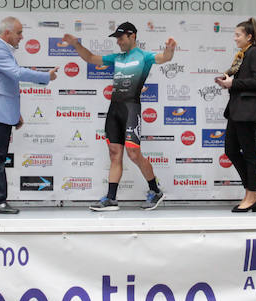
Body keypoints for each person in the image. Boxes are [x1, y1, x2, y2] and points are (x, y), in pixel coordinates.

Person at [62, 23, 176, 211]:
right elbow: (90, 58)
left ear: (132, 36)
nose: (118, 41)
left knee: (134, 154)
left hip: (131, 108)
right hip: (114, 109)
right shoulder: (117, 58)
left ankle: (155, 191)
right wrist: (76, 45)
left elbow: (164, 58)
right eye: (116, 38)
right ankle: (111, 199)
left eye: (121, 37)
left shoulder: (144, 57)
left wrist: (170, 49)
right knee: (115, 154)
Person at [0, 17, 57, 215]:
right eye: (19, 33)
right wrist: (46, 76)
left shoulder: (3, 51)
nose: (22, 37)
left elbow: (5, 85)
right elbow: (17, 73)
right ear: (7, 33)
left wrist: (15, 113)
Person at [216, 18, 256, 213]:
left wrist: (233, 84)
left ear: (249, 37)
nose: (235, 38)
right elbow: (243, 78)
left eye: (238, 35)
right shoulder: (242, 55)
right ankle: (251, 191)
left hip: (247, 112)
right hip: (237, 111)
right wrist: (228, 80)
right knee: (230, 149)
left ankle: (252, 195)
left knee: (250, 155)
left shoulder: (255, 53)